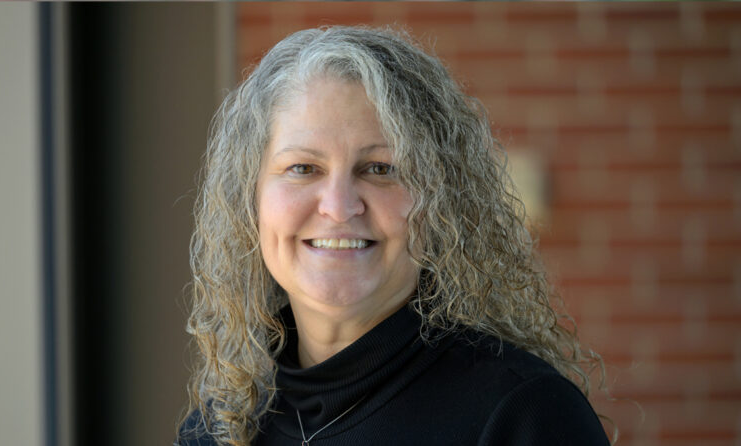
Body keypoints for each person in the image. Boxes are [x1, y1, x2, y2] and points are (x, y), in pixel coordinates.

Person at [178, 25, 612, 446]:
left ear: (440, 203)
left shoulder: (521, 416)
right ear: (249, 200)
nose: (339, 205)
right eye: (303, 168)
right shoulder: (219, 431)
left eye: (381, 169)